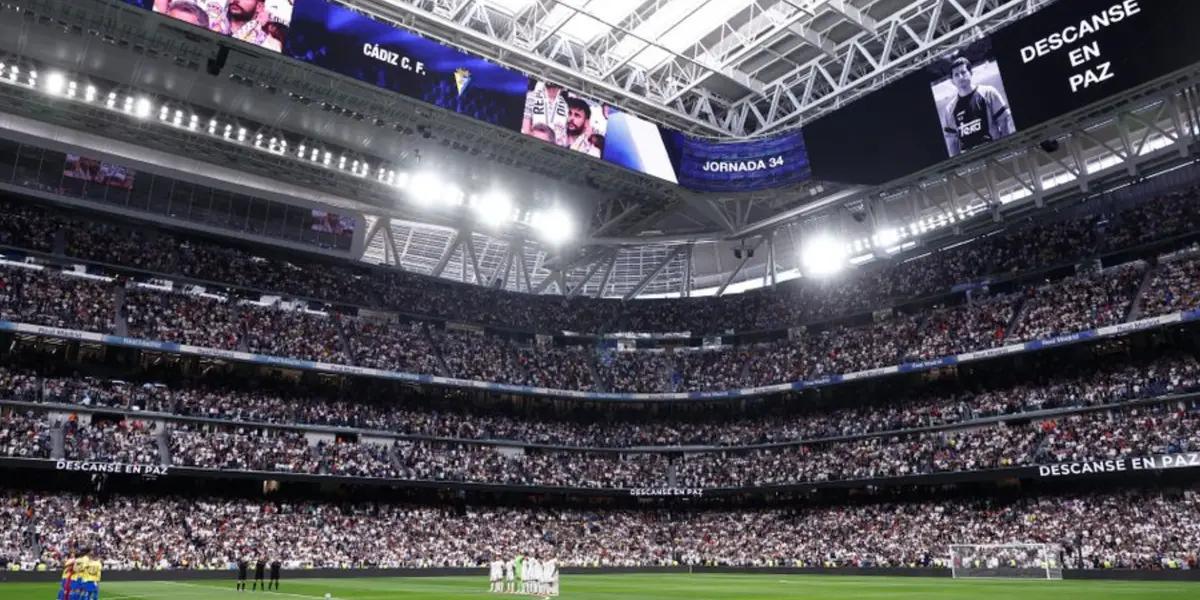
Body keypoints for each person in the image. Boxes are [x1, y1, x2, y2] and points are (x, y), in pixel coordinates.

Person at [942, 57, 1014, 156]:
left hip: (995, 153)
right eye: (956, 75)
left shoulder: (989, 92)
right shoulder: (949, 109)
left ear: (971, 73)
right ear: (952, 81)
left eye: (963, 72)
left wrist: (1006, 149)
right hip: (971, 163)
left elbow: (1004, 123)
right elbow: (952, 142)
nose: (961, 77)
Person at [522, 82, 568, 147]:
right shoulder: (532, 96)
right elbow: (525, 128)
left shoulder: (565, 105)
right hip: (534, 142)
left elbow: (564, 134)